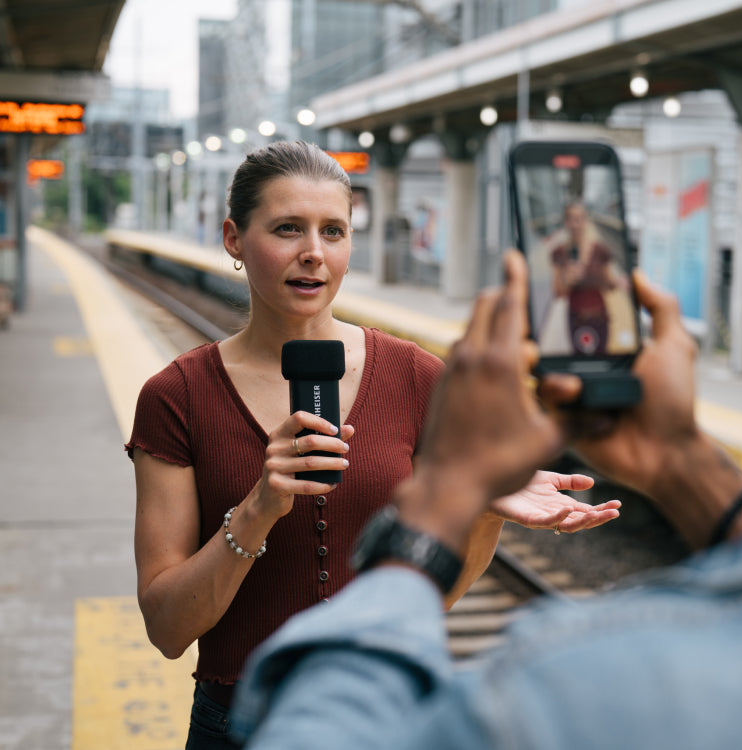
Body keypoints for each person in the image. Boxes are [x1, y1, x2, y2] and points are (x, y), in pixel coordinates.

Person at [230, 1, 742, 747]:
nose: (314, 251)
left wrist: (439, 504)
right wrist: (688, 469)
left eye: (333, 231)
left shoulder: (589, 694)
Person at [125, 141, 622, 749]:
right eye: (287, 229)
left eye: (333, 231)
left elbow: (431, 599)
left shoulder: (418, 378)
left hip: (389, 720)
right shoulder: (176, 397)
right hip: (241, 726)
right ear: (233, 239)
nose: (313, 253)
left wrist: (484, 514)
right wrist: (256, 511)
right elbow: (168, 628)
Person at [537, 200, 631, 356]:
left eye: (580, 219)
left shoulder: (600, 250)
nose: (576, 224)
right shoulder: (559, 253)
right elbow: (558, 292)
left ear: (586, 221)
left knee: (602, 357)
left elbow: (607, 284)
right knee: (580, 358)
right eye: (571, 219)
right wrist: (566, 280)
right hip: (576, 318)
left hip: (600, 317)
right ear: (566, 222)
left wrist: (618, 282)